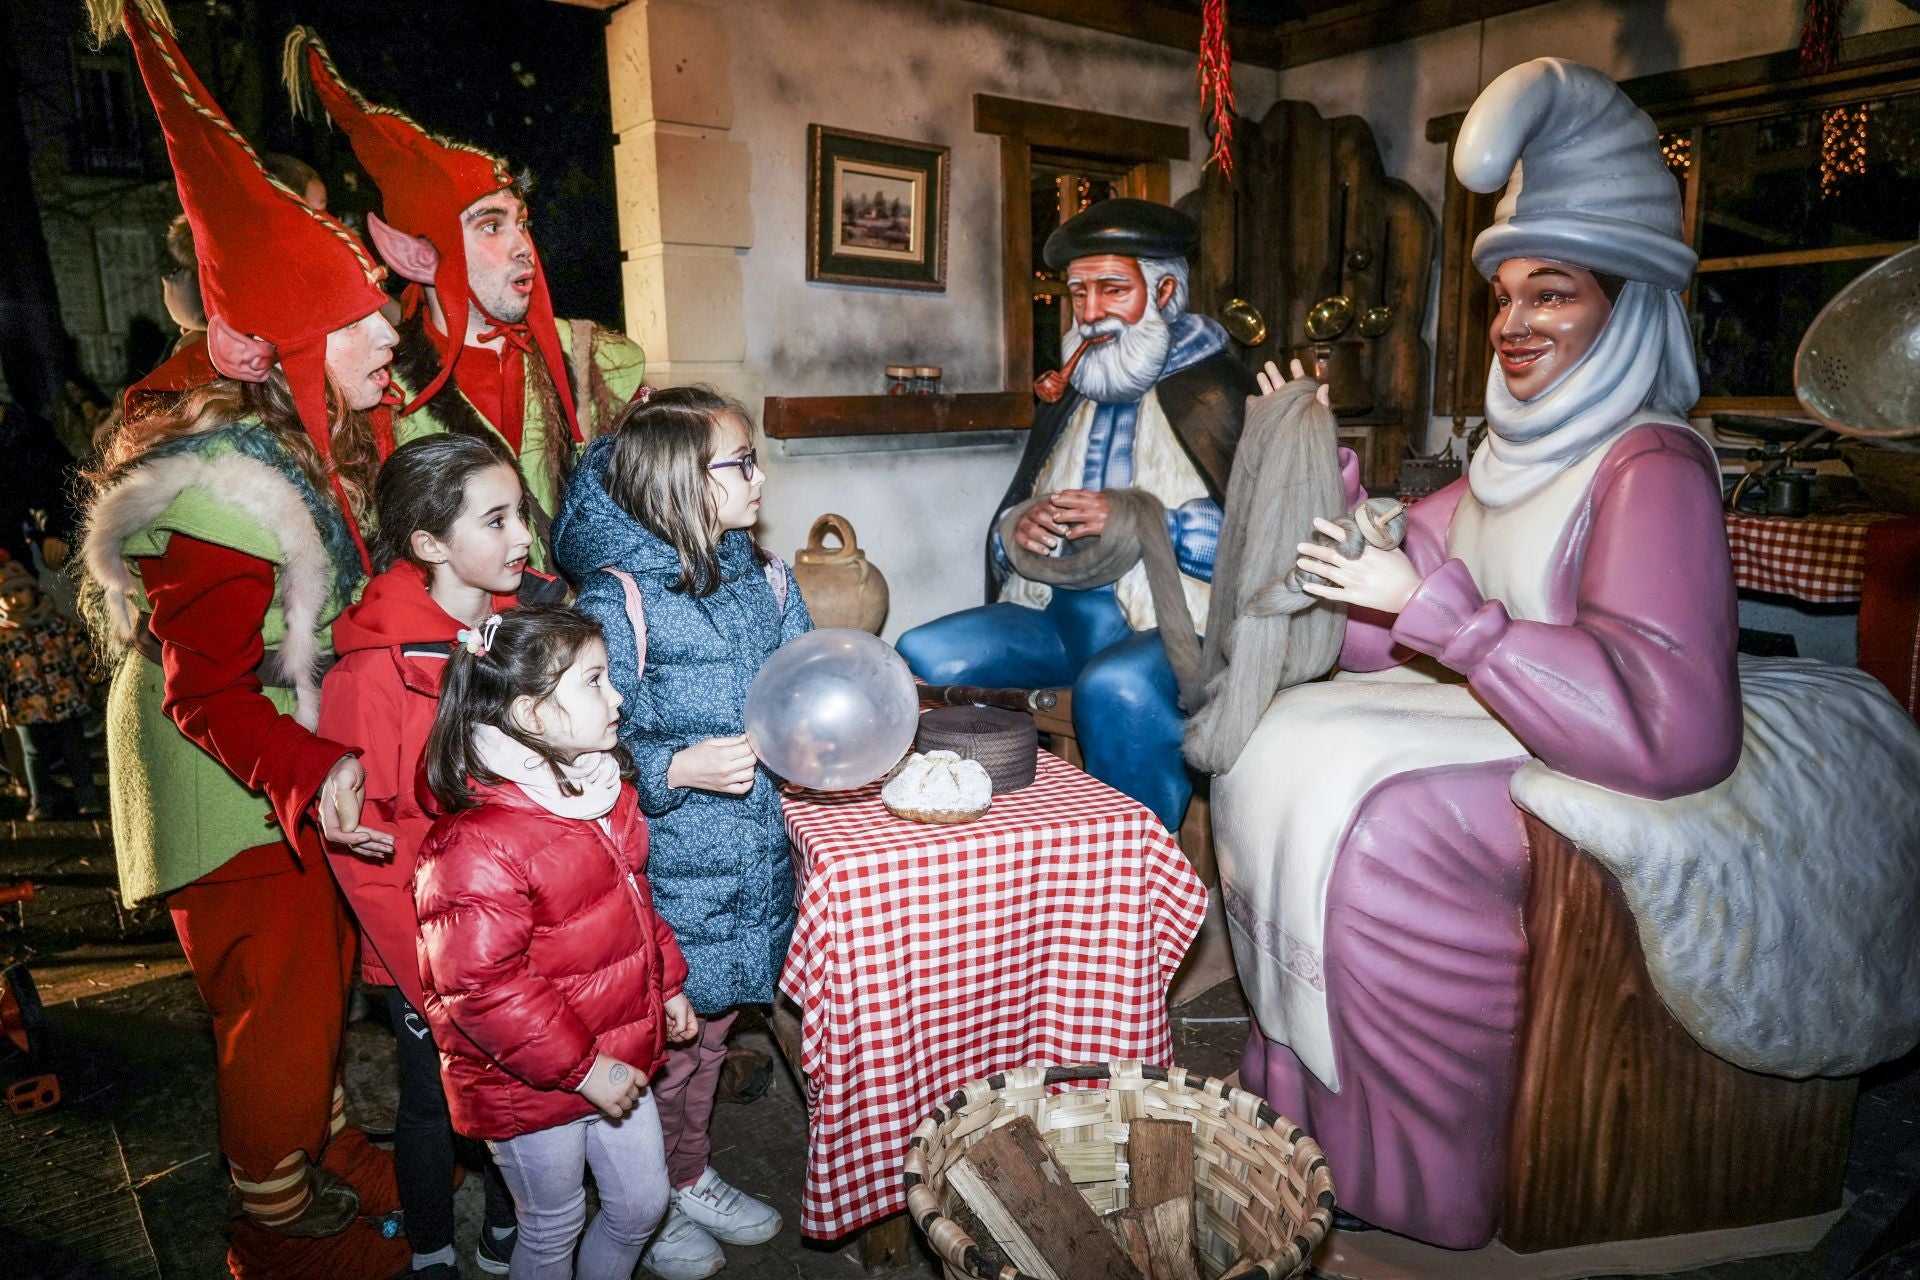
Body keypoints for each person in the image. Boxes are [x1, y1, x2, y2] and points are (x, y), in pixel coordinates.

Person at [1214, 58, 1740, 1248]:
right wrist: (1328, 492)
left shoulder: (1649, 469)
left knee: (1385, 830)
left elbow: (1675, 727)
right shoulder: (1504, 465)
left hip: (1599, 767)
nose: (1513, 324)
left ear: (1629, 307)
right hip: (1510, 722)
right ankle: (1301, 1111)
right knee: (1267, 741)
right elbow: (1368, 632)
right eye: (1505, 296)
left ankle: (1421, 1168)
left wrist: (1446, 612)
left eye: (1552, 294)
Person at [75, 3, 408, 1274]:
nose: (394, 333)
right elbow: (206, 687)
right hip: (226, 769)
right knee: (275, 992)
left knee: (317, 976)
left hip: (278, 750)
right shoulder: (219, 482)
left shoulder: (307, 438)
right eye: (364, 316)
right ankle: (273, 1218)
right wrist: (314, 768)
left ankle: (318, 1141)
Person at [550, 386, 811, 1280]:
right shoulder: (618, 599)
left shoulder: (766, 577)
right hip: (665, 876)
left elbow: (805, 684)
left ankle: (686, 1173)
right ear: (678, 483)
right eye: (740, 464)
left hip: (751, 863)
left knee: (711, 1038)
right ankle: (645, 1202)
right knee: (663, 1048)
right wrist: (674, 768)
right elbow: (576, 747)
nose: (759, 478)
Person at [895, 198, 1258, 829]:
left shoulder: (1217, 392)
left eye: (1112, 290)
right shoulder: (1072, 393)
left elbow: (1261, 536)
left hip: (1176, 627)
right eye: (1078, 293)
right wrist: (1016, 528)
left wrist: (1154, 524)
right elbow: (1020, 503)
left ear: (1164, 291)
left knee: (1119, 688)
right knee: (925, 656)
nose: (1089, 314)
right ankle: (988, 833)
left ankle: (1137, 854)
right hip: (1055, 618)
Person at [319, 433, 560, 1279]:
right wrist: (425, 974)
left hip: (517, 921)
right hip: (423, 942)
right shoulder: (373, 672)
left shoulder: (518, 634)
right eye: (496, 520)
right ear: (427, 543)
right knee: (433, 1097)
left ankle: (507, 1226)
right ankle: (430, 1249)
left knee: (519, 1086)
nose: (522, 537)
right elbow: (364, 852)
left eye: (520, 513)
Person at [414, 605, 696, 1280]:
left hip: (616, 1048)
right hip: (528, 1084)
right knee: (552, 1225)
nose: (617, 697)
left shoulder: (601, 793)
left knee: (642, 1205)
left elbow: (630, 903)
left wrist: (668, 982)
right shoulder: (477, 844)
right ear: (532, 715)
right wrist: (584, 1070)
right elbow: (481, 988)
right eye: (594, 681)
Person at [284, 28, 647, 546]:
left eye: (521, 223)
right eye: (490, 226)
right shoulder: (378, 393)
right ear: (414, 255)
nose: (523, 246)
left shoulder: (599, 362)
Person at [0, 558, 100, 820]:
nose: (14, 599)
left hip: (66, 700)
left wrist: (91, 673)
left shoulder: (57, 624)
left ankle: (87, 795)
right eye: (6, 595)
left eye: (19, 590)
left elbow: (79, 653)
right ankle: (41, 800)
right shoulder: (3, 635)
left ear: (33, 590)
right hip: (26, 707)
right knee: (33, 755)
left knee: (76, 751)